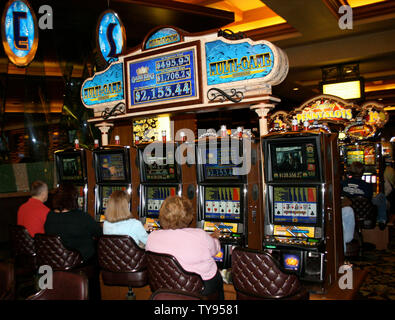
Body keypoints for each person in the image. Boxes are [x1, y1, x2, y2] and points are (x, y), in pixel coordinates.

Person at [145, 196, 224, 300]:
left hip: (164, 285)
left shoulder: (152, 237)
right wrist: (214, 239)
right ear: (189, 215)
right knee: (219, 278)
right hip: (199, 287)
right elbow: (215, 251)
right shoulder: (200, 235)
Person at [44, 183, 102, 262]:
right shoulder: (81, 216)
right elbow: (99, 233)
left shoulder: (50, 216)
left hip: (56, 260)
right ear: (74, 198)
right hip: (80, 261)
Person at [341, 161, 387, 230]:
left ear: (350, 171)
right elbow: (369, 197)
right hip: (365, 215)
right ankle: (381, 221)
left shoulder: (342, 183)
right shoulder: (367, 185)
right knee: (381, 196)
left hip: (348, 214)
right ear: (362, 172)